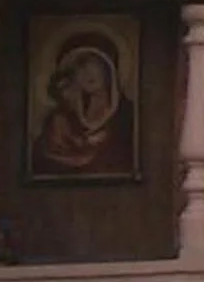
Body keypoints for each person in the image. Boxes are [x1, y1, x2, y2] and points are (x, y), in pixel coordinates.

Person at [32, 31, 137, 180]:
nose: (86, 73)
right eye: (78, 68)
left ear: (109, 67)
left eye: (92, 64)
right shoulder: (60, 119)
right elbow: (42, 162)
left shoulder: (129, 116)